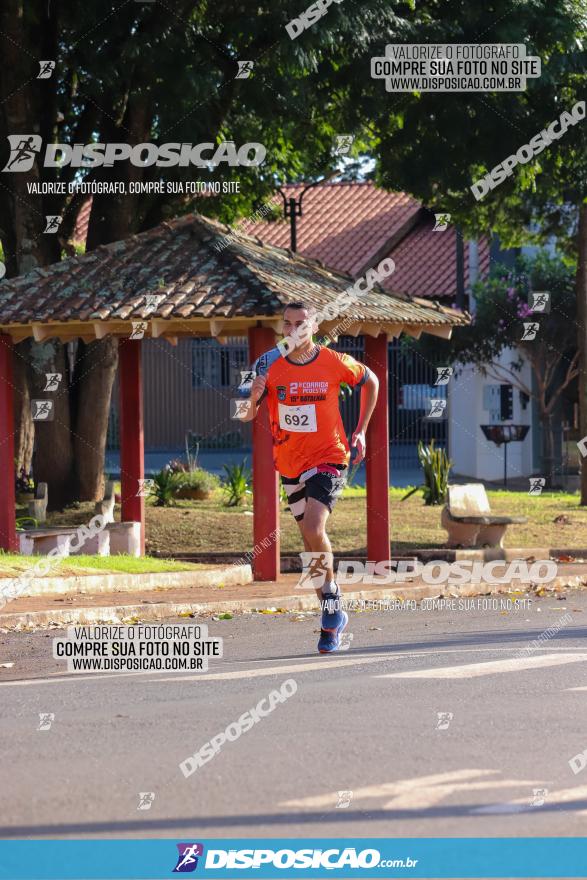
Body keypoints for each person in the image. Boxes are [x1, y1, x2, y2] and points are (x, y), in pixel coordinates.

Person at [239, 301, 379, 652]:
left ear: (314, 326)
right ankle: (330, 621)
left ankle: (331, 603)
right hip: (289, 464)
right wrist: (254, 398)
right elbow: (242, 414)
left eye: (301, 323)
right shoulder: (266, 363)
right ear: (281, 327)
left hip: (330, 457)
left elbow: (371, 381)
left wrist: (360, 431)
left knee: (315, 528)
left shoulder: (333, 361)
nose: (293, 330)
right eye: (287, 324)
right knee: (308, 542)